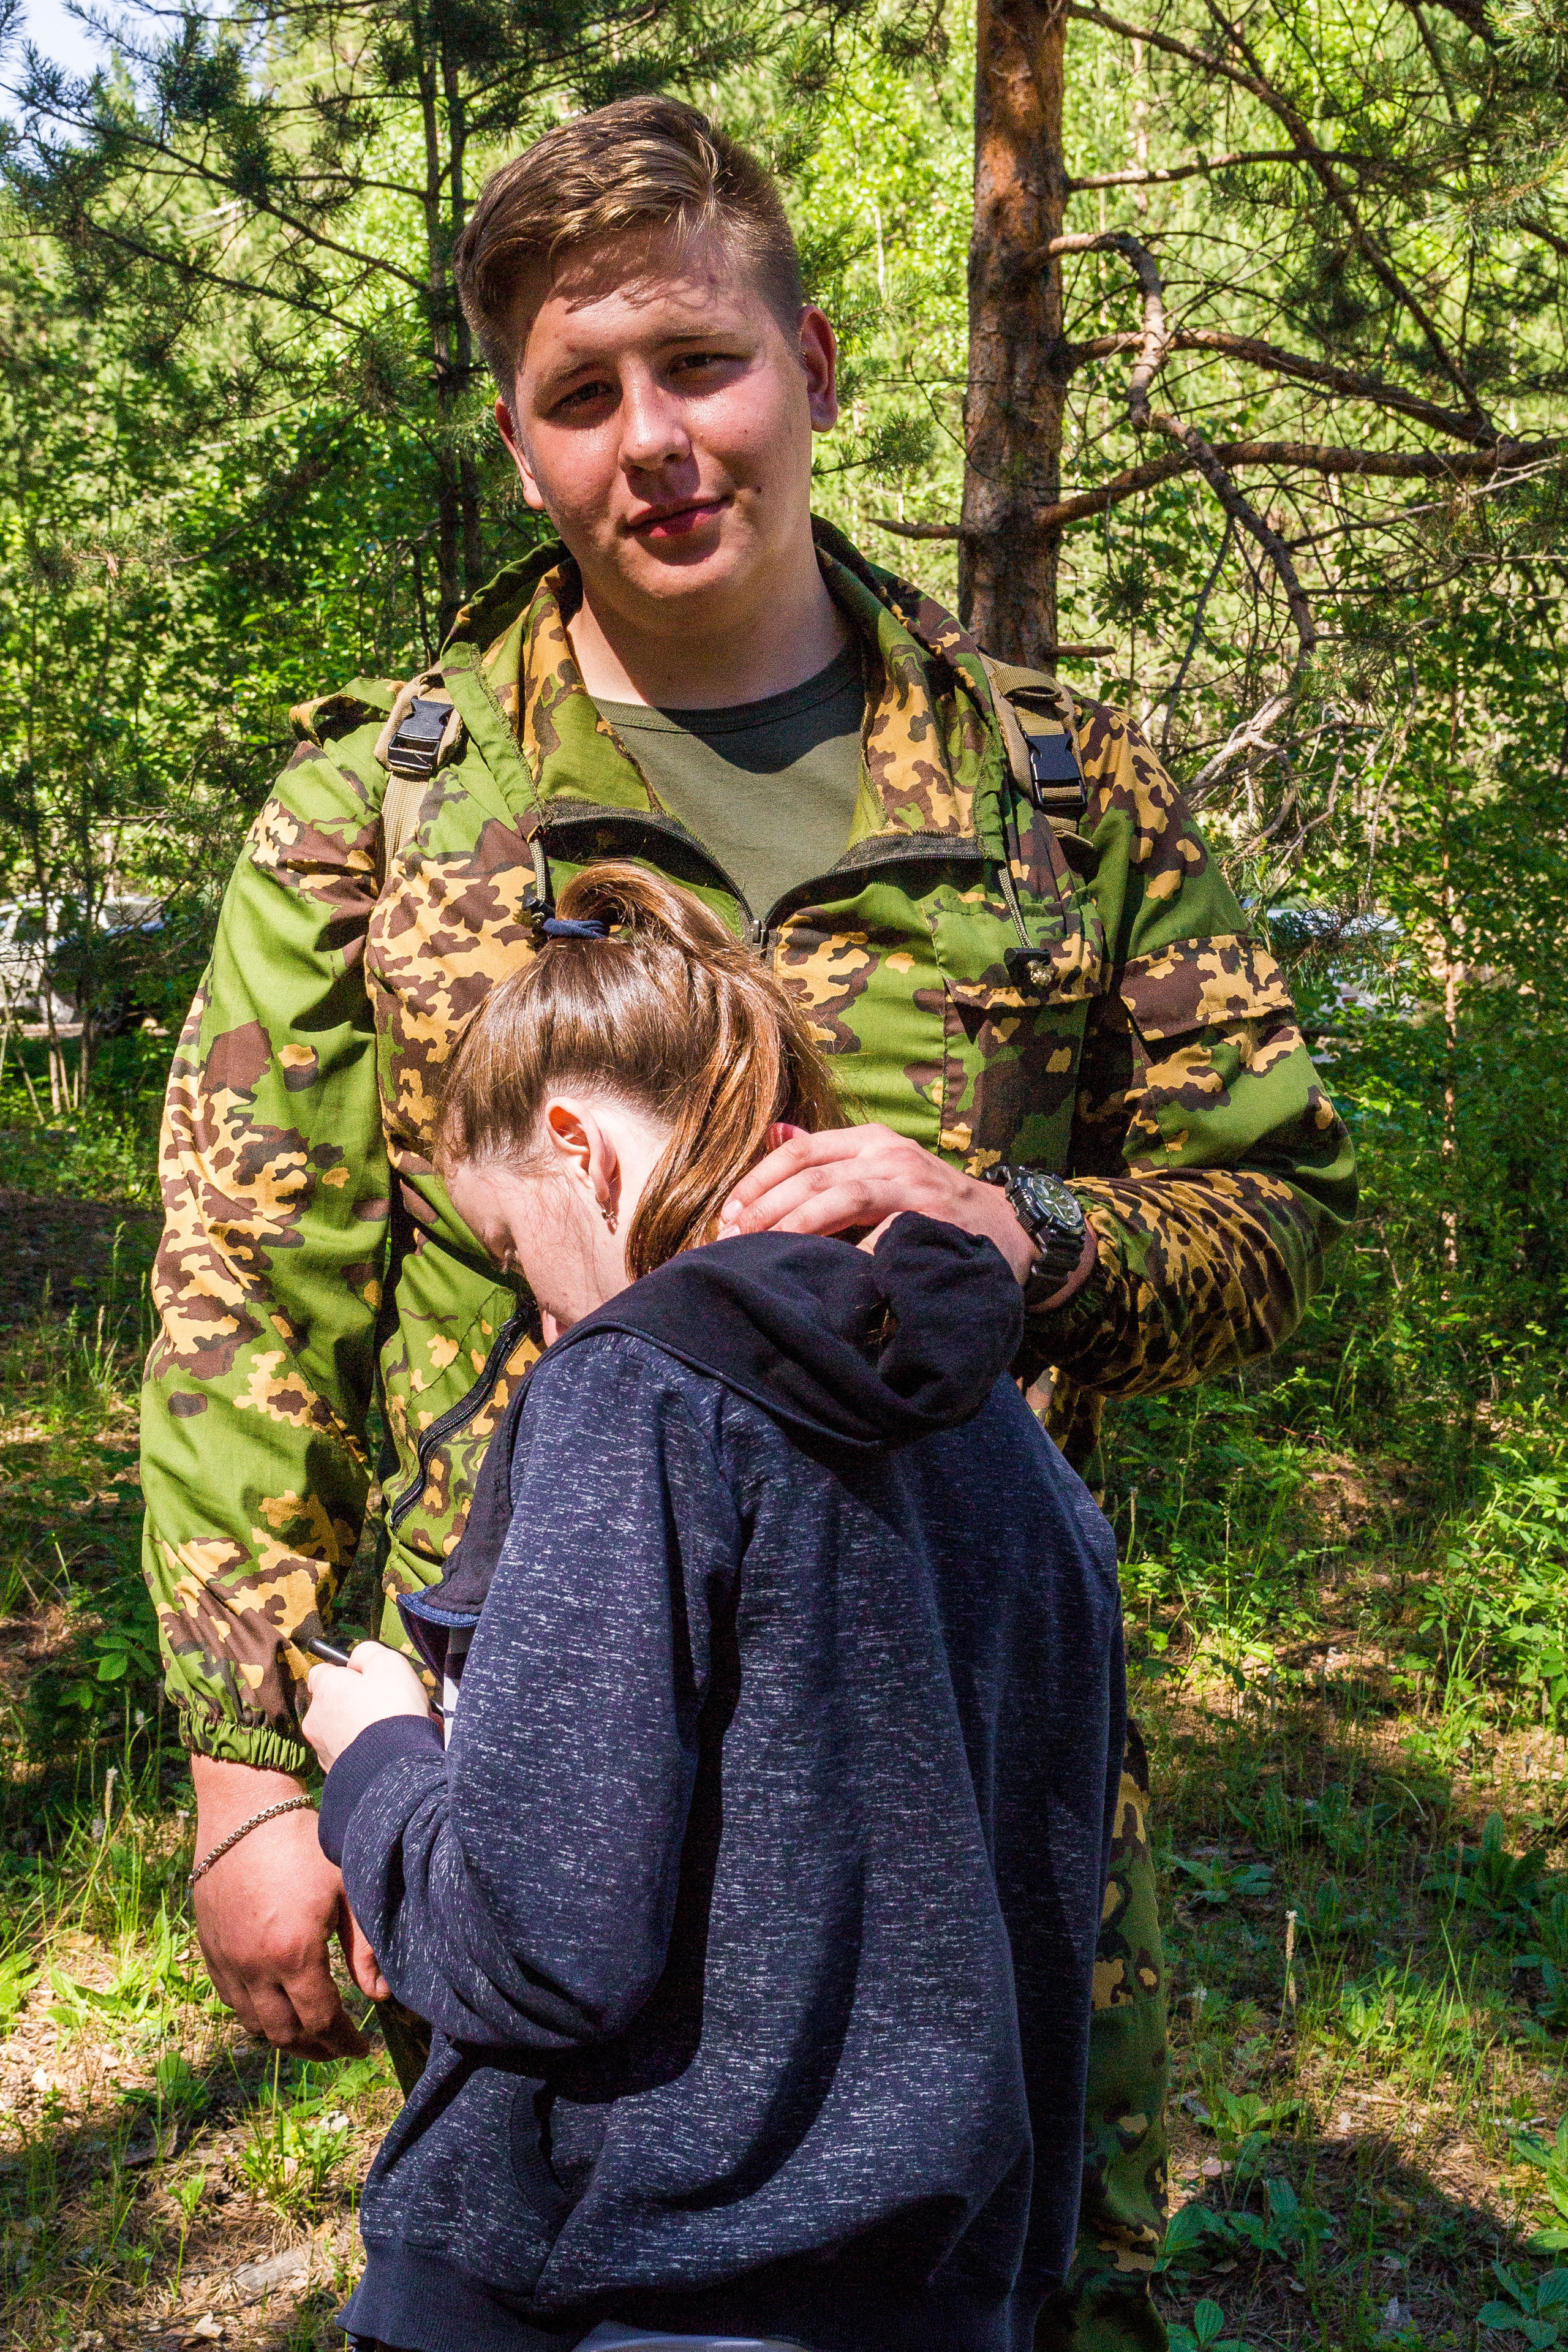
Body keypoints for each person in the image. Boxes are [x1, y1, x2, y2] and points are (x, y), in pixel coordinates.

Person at [138, 93, 1356, 2352]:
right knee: (546, 2271)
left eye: (698, 363)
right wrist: (249, 1750)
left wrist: (1026, 1234)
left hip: (945, 1771)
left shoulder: (1053, 791)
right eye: (582, 396)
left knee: (1003, 2279)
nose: (655, 441)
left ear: (809, 359)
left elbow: (1271, 1220)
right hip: (539, 1773)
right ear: (520, 445)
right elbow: (246, 1306)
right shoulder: (374, 816)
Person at [298, 858, 1128, 2352]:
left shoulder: (636, 1392)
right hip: (938, 2296)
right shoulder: (1006, 1441)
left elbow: (540, 1949)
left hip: (617, 2284)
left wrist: (377, 1770)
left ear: (577, 1148)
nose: (543, 1318)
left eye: (511, 1254)